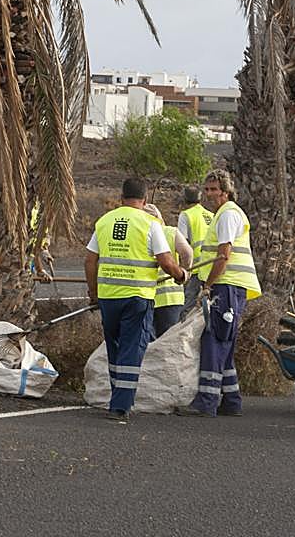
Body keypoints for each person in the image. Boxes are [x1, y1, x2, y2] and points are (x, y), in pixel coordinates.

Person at [85, 178, 186, 421]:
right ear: (144, 200)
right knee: (132, 348)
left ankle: (116, 395)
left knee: (115, 346)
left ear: (121, 198)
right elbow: (166, 261)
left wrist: (94, 293)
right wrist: (181, 275)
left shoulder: (104, 221)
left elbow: (90, 260)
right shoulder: (150, 224)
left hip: (109, 297)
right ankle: (120, 405)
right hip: (137, 297)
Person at [177, 168, 262, 418]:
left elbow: (223, 255)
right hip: (230, 286)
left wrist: (207, 286)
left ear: (226, 192)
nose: (209, 194)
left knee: (214, 340)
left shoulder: (227, 215)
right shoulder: (223, 215)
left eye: (214, 189)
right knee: (225, 341)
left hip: (226, 285)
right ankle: (231, 400)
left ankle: (206, 401)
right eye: (206, 189)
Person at [143, 203, 195, 337]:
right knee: (167, 342)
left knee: (147, 342)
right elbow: (188, 253)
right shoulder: (170, 232)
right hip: (171, 298)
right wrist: (185, 273)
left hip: (145, 297)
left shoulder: (139, 233)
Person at [177, 186, 214, 303]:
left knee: (188, 305)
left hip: (197, 269)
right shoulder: (211, 215)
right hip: (214, 268)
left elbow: (183, 244)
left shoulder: (185, 215)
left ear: (184, 199)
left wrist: (183, 270)